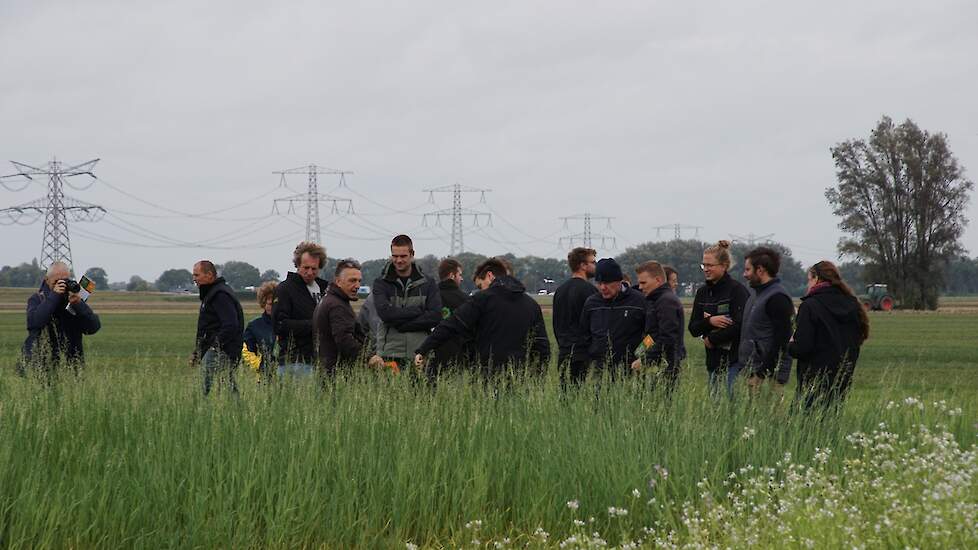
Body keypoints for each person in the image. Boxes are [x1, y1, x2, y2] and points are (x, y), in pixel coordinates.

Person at [415, 257, 550, 376]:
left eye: (480, 285)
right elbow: (542, 345)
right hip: (521, 379)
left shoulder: (482, 300)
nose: (481, 290)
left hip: (488, 377)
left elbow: (452, 324)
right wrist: (538, 375)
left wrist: (424, 349)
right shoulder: (531, 305)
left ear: (490, 276)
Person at [789, 261, 869, 409]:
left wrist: (791, 343)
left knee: (801, 426)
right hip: (841, 380)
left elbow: (802, 348)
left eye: (809, 280)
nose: (808, 285)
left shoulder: (810, 306)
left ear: (817, 278)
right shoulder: (852, 305)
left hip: (812, 381)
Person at [688, 241, 750, 395]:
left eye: (710, 265)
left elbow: (740, 325)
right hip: (713, 362)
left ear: (724, 266)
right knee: (715, 410)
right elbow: (693, 328)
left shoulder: (737, 291)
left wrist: (712, 340)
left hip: (734, 362)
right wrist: (709, 321)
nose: (706, 269)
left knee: (729, 406)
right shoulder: (702, 293)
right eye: (704, 265)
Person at [372, 235, 442, 372]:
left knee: (422, 392)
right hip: (390, 353)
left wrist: (403, 325)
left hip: (420, 353)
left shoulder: (428, 283)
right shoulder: (381, 283)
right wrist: (417, 311)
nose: (398, 260)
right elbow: (385, 314)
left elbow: (435, 316)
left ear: (412, 254)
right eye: (395, 256)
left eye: (403, 256)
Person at [21, 261, 101, 378]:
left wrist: (79, 304)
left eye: (65, 281)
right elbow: (34, 323)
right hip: (40, 366)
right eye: (57, 282)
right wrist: (54, 296)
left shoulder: (73, 301)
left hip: (70, 368)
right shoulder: (37, 299)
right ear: (47, 280)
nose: (62, 285)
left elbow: (93, 327)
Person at [314, 259, 383, 381]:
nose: (357, 286)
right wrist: (368, 358)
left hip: (326, 371)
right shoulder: (337, 305)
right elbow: (344, 339)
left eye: (359, 281)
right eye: (352, 281)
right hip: (336, 376)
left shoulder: (329, 300)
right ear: (338, 281)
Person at [739, 247, 794, 394]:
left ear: (760, 270)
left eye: (748, 269)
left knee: (770, 416)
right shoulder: (755, 295)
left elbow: (781, 341)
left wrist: (761, 373)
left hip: (769, 378)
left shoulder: (778, 298)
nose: (744, 274)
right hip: (753, 370)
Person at [579, 258, 646, 379]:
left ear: (619, 281)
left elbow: (652, 335)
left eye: (607, 283)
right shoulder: (591, 303)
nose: (603, 287)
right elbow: (584, 335)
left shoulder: (639, 301)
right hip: (600, 372)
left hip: (632, 370)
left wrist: (640, 356)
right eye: (599, 283)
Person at [273, 241, 329, 376]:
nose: (309, 272)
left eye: (314, 268)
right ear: (297, 265)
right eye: (306, 267)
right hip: (294, 362)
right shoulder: (285, 289)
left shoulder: (324, 289)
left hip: (320, 360)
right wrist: (315, 325)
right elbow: (280, 325)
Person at [191, 260, 244, 395]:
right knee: (225, 385)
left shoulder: (220, 295)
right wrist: (198, 352)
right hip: (215, 349)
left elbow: (231, 325)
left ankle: (205, 410)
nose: (194, 279)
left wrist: (215, 346)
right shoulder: (212, 294)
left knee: (207, 387)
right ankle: (234, 410)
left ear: (209, 275)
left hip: (222, 351)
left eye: (197, 275)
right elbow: (207, 327)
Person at [631, 261, 684, 392]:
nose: (640, 287)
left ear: (658, 280)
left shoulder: (666, 302)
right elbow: (652, 335)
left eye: (644, 283)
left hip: (665, 366)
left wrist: (644, 359)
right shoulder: (655, 300)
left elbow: (667, 338)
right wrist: (638, 353)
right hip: (653, 363)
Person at [553, 247, 598, 386]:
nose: (595, 266)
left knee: (566, 395)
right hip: (583, 353)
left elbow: (556, 323)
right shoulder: (590, 291)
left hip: (564, 351)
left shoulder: (560, 291)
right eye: (593, 262)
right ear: (583, 265)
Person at [426, 258, 472, 376]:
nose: (461, 278)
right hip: (460, 357)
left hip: (432, 355)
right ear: (452, 275)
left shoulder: (429, 298)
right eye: (460, 275)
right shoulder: (466, 300)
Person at [242, 281, 277, 382]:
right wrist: (259, 364)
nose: (273, 308)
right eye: (270, 304)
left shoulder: (287, 324)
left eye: (276, 304)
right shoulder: (254, 326)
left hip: (286, 375)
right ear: (263, 303)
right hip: (263, 378)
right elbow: (246, 351)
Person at [662, 265, 687, 362]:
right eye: (674, 281)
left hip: (667, 357)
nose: (676, 284)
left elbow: (664, 334)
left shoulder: (667, 302)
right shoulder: (664, 301)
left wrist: (641, 353)